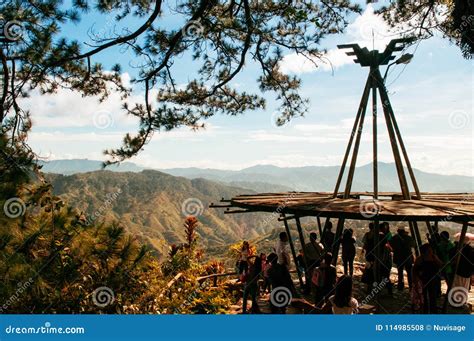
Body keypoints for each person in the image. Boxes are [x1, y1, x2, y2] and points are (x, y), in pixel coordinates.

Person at [413, 243, 442, 314]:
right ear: (425, 250)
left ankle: (433, 312)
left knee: (433, 297)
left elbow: (441, 265)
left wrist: (436, 259)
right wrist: (416, 282)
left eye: (431, 249)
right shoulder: (420, 259)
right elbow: (414, 271)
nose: (431, 251)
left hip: (434, 280)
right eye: (429, 250)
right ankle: (425, 311)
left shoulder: (434, 257)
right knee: (424, 297)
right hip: (423, 280)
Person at [451, 239, 474, 307]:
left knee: (457, 286)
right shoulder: (470, 250)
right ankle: (461, 301)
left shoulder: (457, 249)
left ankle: (456, 301)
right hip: (466, 272)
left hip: (459, 271)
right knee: (464, 287)